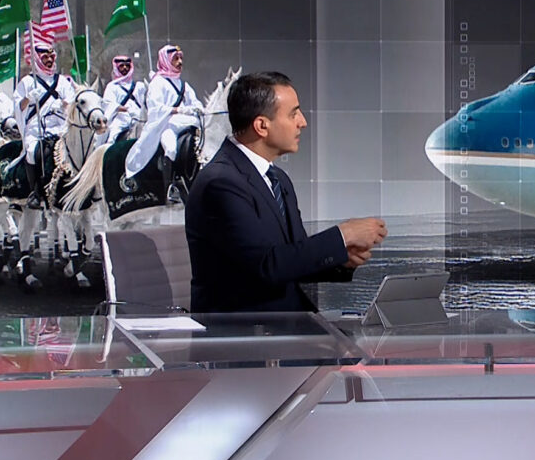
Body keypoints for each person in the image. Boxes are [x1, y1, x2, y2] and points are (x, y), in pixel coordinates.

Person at [185, 71, 387, 313]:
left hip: (287, 322)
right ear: (262, 126)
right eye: (293, 114)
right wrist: (344, 234)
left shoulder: (278, 179)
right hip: (245, 328)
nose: (303, 122)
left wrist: (341, 257)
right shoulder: (220, 184)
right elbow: (266, 266)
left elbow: (292, 258)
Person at [124, 44, 203, 201]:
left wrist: (197, 108)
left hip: (188, 123)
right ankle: (171, 187)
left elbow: (195, 102)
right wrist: (178, 110)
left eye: (180, 58)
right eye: (176, 59)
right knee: (171, 148)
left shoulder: (183, 85)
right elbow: (155, 108)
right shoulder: (158, 83)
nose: (180, 62)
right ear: (166, 61)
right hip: (167, 124)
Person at [14, 42, 77, 206]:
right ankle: (35, 192)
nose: (49, 60)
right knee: (32, 153)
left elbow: (72, 102)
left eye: (51, 57)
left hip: (60, 127)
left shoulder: (62, 81)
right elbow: (18, 107)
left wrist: (62, 104)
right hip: (37, 129)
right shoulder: (27, 82)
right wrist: (28, 98)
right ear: (37, 59)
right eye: (45, 57)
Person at [99, 55, 146, 144]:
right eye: (121, 66)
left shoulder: (139, 86)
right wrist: (124, 109)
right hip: (120, 119)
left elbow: (143, 103)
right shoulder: (112, 87)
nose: (125, 68)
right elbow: (108, 103)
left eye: (127, 66)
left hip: (137, 117)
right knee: (112, 137)